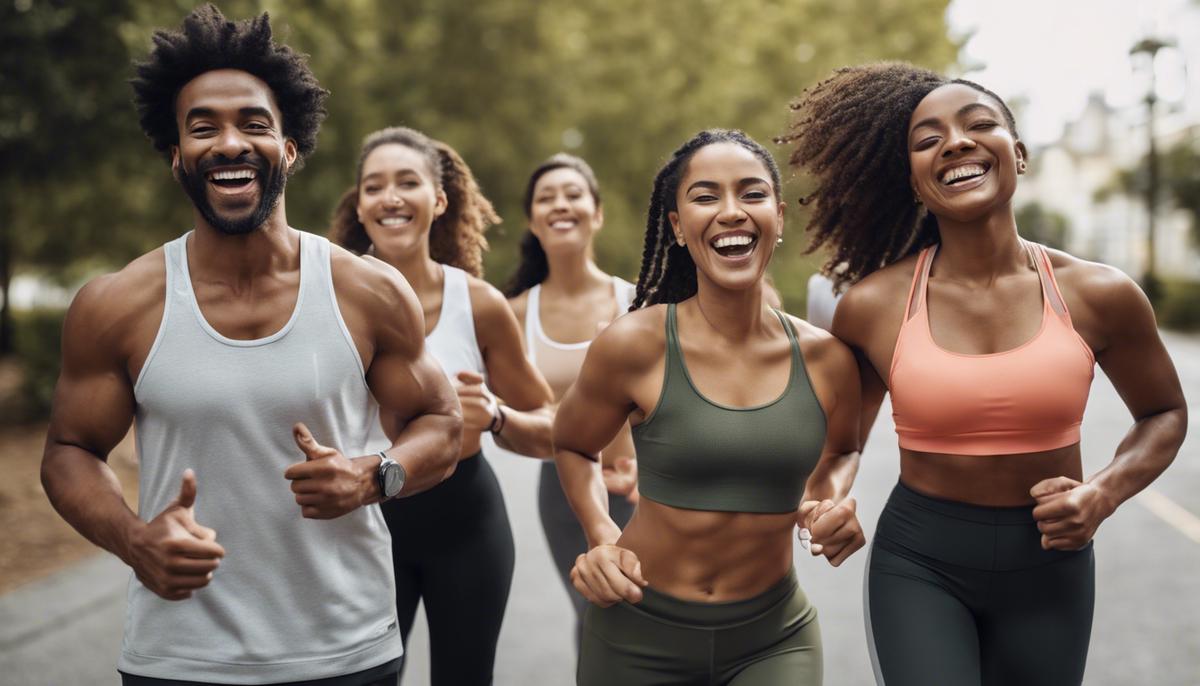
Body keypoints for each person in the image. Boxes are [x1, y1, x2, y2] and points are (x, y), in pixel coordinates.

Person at [40, 7, 464, 686]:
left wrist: (373, 474)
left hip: (348, 649)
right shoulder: (115, 303)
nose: (229, 142)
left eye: (254, 124)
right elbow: (69, 451)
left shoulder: (368, 291)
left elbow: (442, 423)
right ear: (177, 157)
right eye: (202, 127)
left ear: (288, 150)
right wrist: (135, 540)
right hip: (179, 656)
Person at [780, 62, 1188, 686]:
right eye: (927, 139)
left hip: (1052, 566)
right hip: (920, 563)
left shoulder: (1101, 294)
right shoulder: (872, 306)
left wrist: (1102, 494)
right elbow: (840, 444)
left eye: (979, 125)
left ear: (1018, 155)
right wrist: (825, 501)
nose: (956, 142)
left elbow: (1164, 414)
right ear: (915, 181)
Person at [554, 129, 865, 685]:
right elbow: (573, 444)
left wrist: (825, 503)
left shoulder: (827, 359)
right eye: (704, 197)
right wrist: (601, 535)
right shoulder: (633, 345)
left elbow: (842, 448)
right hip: (636, 633)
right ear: (676, 226)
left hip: (774, 640)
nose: (730, 212)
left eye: (751, 194)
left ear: (778, 216)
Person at [330, 126, 555, 685]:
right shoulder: (324, 299)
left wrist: (498, 416)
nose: (391, 197)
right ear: (359, 205)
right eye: (375, 186)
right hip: (363, 526)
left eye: (408, 182)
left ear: (439, 199)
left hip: (466, 524)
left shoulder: (478, 304)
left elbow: (554, 428)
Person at [502, 153, 639, 643]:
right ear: (532, 220)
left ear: (597, 213)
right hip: (563, 494)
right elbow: (513, 425)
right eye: (546, 197)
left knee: (654, 622)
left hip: (643, 489)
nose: (561, 205)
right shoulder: (513, 314)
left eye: (573, 193)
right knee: (595, 619)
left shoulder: (638, 303)